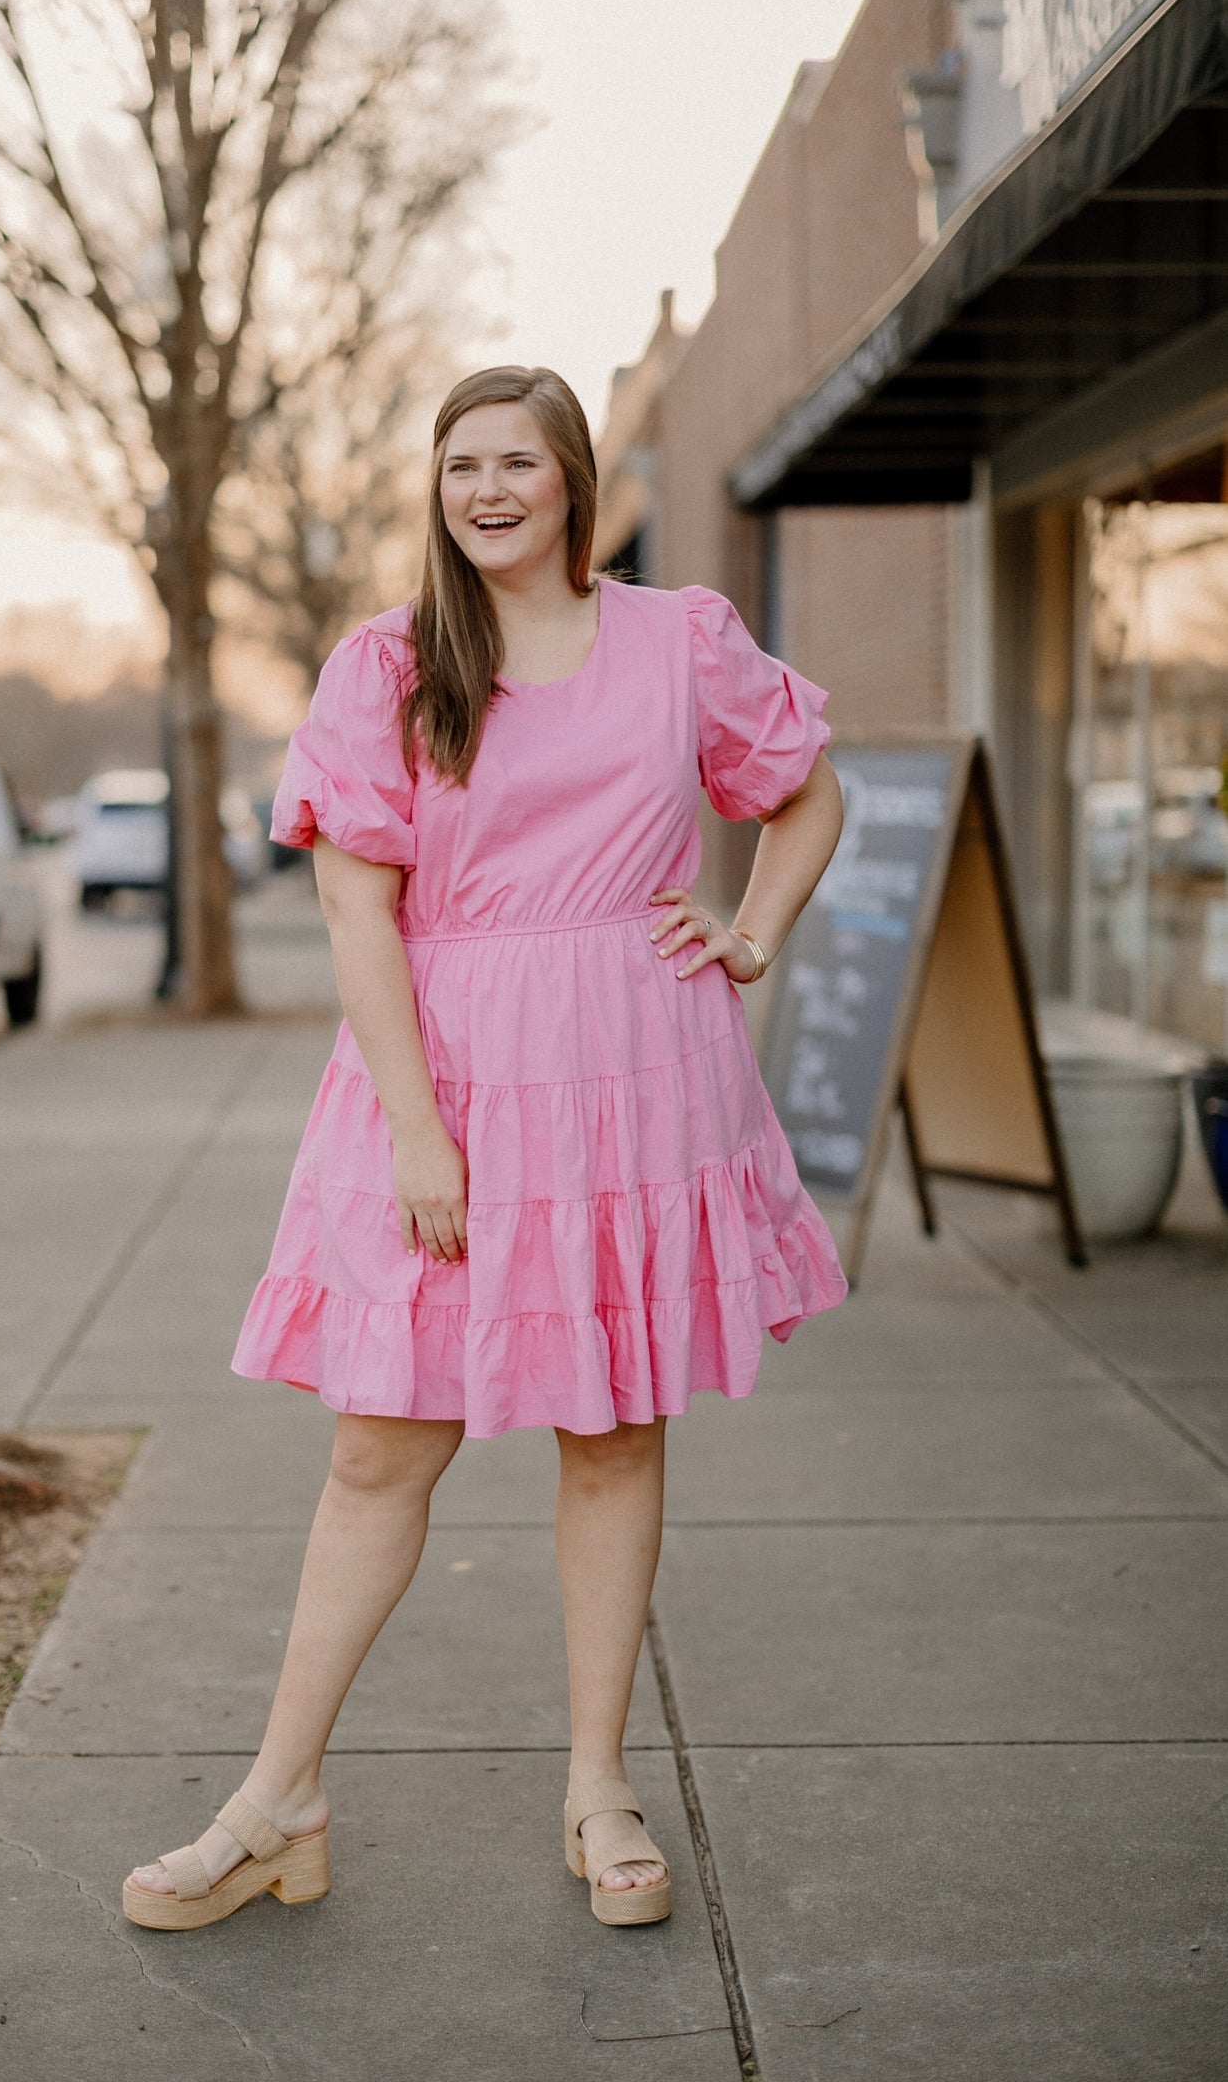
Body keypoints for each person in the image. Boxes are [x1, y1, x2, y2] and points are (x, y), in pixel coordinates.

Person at [123, 365, 848, 1934]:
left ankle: (600, 1788)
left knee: (614, 1432)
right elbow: (350, 905)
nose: (488, 488)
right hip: (443, 1070)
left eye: (518, 460)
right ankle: (278, 1799)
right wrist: (416, 1128)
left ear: (575, 477)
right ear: (436, 489)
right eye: (461, 465)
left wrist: (749, 931)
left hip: (636, 1075)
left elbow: (804, 793)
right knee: (381, 1442)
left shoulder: (679, 640)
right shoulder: (389, 661)